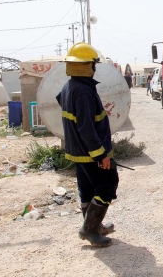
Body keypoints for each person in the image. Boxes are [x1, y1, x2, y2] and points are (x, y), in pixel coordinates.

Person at [56, 42, 119, 247]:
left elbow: (66, 108)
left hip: (77, 151)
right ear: (86, 66)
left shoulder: (70, 86)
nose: (94, 68)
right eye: (93, 64)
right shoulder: (82, 91)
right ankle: (90, 229)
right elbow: (86, 127)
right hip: (90, 152)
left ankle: (94, 225)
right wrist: (101, 155)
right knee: (107, 186)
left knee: (87, 189)